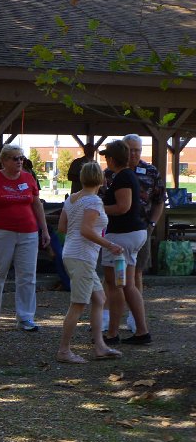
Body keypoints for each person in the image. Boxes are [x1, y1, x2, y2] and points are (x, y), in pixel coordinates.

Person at [0, 144, 51, 330]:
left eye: (21, 158)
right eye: (15, 158)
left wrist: (45, 230)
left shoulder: (28, 177)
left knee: (27, 276)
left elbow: (37, 205)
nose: (19, 161)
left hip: (28, 232)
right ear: (4, 160)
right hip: (0, 232)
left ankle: (25, 317)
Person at [56, 162, 123, 363]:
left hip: (73, 253)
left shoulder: (72, 199)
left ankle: (100, 346)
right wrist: (109, 244)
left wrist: (79, 238)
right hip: (82, 257)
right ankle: (64, 350)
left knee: (99, 298)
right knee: (78, 304)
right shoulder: (93, 201)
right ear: (101, 180)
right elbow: (86, 230)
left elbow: (62, 227)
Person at [103, 134, 165, 332]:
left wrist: (152, 223)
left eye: (137, 149)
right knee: (114, 279)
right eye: (129, 149)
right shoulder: (110, 173)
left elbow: (158, 200)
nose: (133, 153)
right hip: (121, 230)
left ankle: (132, 322)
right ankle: (108, 319)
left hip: (135, 229)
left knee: (133, 275)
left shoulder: (150, 171)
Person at [100, 140, 151, 344]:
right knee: (128, 284)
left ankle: (112, 334)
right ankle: (142, 331)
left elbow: (123, 207)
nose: (106, 160)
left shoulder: (122, 177)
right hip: (132, 235)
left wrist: (98, 208)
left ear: (112, 159)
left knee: (116, 285)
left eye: (106, 157)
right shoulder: (126, 175)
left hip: (122, 237)